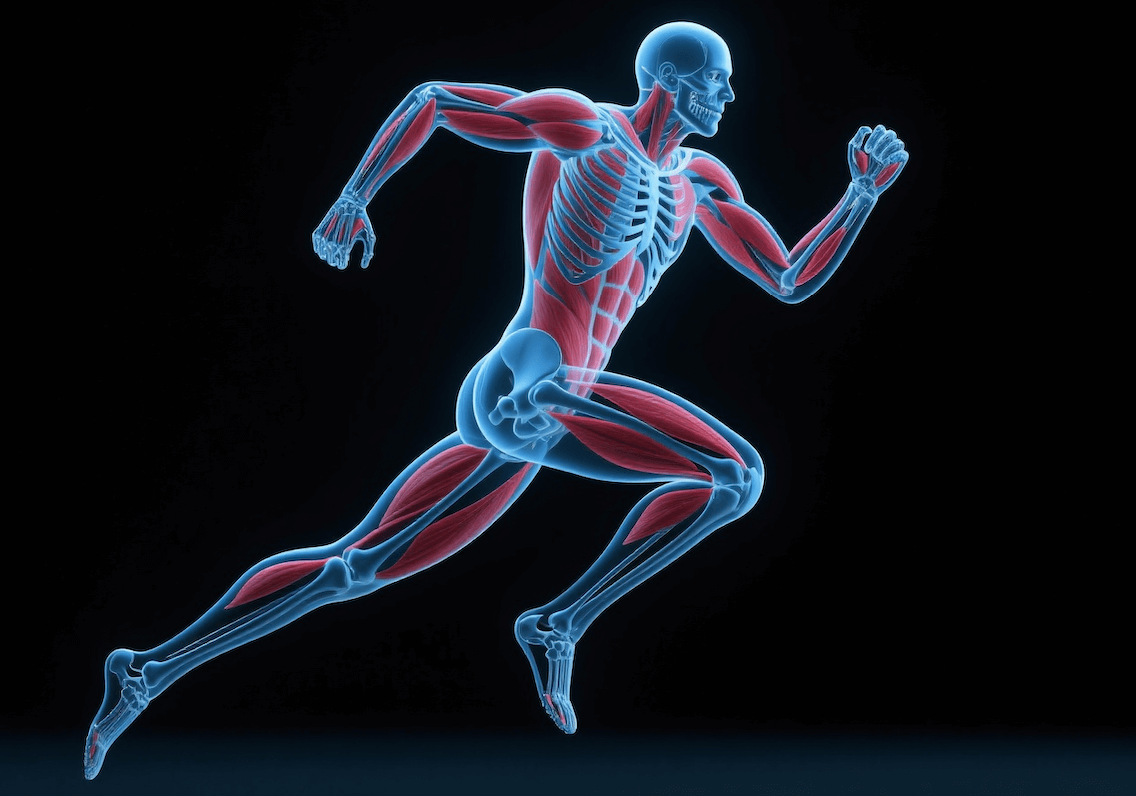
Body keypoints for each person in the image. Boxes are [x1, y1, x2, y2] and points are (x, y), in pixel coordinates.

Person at [84, 21, 907, 779]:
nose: (730, 94)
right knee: (736, 474)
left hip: (555, 413)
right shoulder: (585, 128)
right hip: (523, 385)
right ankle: (561, 623)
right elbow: (435, 101)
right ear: (668, 79)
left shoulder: (704, 182)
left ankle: (146, 670)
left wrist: (860, 196)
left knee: (355, 565)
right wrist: (355, 196)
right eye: (715, 80)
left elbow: (787, 278)